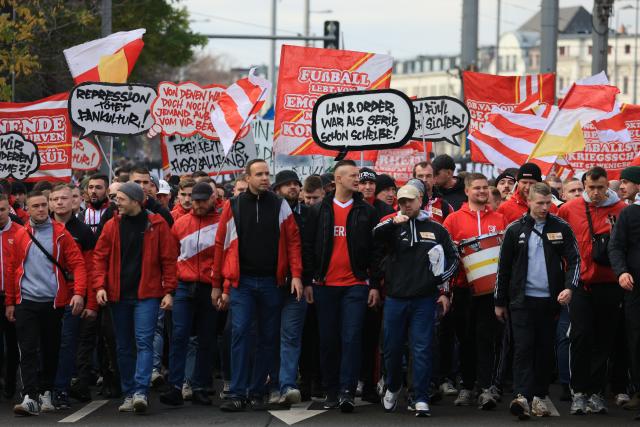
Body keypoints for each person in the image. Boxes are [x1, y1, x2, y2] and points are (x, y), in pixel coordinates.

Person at [213, 159, 302, 412]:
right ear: (248, 177)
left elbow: (293, 241)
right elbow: (220, 244)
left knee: (268, 338)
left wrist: (296, 274)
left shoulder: (280, 204)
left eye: (267, 173)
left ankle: (257, 391)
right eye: (259, 174)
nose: (265, 178)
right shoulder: (233, 205)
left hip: (273, 283)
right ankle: (237, 393)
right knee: (240, 334)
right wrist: (216, 285)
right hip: (242, 283)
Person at [303, 159, 383, 413]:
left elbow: (376, 251)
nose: (357, 178)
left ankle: (347, 391)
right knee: (328, 340)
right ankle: (331, 390)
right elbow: (307, 248)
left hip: (356, 285)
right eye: (352, 175)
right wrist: (308, 281)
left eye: (358, 174)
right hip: (325, 285)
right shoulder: (319, 210)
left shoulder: (367, 212)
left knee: (351, 338)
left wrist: (374, 285)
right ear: (337, 179)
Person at [495, 183, 580, 420]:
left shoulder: (561, 227)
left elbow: (575, 260)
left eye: (548, 203)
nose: (544, 208)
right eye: (539, 203)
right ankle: (522, 397)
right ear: (529, 201)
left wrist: (569, 288)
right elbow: (503, 268)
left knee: (544, 350)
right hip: (521, 300)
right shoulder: (514, 229)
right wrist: (499, 301)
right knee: (523, 347)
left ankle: (540, 397)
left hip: (551, 300)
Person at [374, 184, 458, 417]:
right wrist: (393, 222)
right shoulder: (391, 224)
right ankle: (392, 386)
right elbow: (374, 235)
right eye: (402, 202)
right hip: (395, 298)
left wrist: (440, 280)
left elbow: (453, 258)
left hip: (424, 299)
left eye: (410, 200)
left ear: (420, 199)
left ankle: (419, 396)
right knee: (391, 348)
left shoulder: (437, 228)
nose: (406, 205)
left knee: (421, 349)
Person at [93, 182, 178, 414]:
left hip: (147, 295)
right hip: (118, 295)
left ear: (135, 200)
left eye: (120, 198)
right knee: (123, 346)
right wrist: (99, 286)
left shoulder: (157, 224)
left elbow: (169, 260)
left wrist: (169, 291)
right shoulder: (111, 226)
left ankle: (140, 391)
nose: (115, 202)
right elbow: (99, 258)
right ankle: (129, 392)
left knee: (143, 342)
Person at [8, 191, 87, 416]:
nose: (41, 209)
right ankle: (29, 396)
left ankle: (46, 391)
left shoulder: (61, 233)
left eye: (44, 205)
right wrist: (12, 303)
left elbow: (78, 264)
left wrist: (79, 293)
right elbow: (14, 269)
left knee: (51, 349)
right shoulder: (21, 234)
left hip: (53, 303)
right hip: (26, 302)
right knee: (28, 349)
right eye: (36, 206)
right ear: (28, 209)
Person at [558, 166, 626, 415]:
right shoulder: (569, 208)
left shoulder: (622, 210)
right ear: (584, 185)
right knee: (580, 336)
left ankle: (596, 392)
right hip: (580, 285)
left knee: (603, 340)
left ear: (608, 185)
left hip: (610, 284)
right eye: (591, 188)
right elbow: (558, 242)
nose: (596, 193)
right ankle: (578, 391)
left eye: (601, 187)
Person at [442, 173, 506, 410]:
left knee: (487, 338)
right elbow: (445, 252)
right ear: (467, 191)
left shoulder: (500, 218)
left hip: (490, 291)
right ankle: (467, 386)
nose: (482, 191)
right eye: (477, 188)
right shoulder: (453, 219)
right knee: (466, 338)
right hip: (462, 289)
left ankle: (487, 387)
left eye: (484, 188)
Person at [160, 182, 221, 407]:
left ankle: (200, 387)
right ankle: (176, 386)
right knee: (179, 336)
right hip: (184, 286)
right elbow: (170, 257)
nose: (199, 204)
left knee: (206, 339)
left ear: (213, 199)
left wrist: (222, 287)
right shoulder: (180, 224)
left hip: (209, 287)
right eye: (196, 200)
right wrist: (170, 289)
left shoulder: (221, 224)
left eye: (203, 200)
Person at [49, 185, 98, 409]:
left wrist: (90, 302)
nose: (59, 202)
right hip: (46, 296)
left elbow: (88, 268)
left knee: (68, 345)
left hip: (73, 296)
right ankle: (43, 388)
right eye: (55, 199)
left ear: (74, 201)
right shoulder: (39, 228)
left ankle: (61, 389)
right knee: (45, 344)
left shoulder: (84, 231)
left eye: (64, 198)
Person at [272, 170, 309, 404]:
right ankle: (272, 383)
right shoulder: (268, 213)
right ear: (277, 190)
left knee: (291, 337)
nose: (293, 188)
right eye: (287, 185)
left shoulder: (309, 214)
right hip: (271, 283)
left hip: (297, 285)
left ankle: (287, 385)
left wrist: (307, 280)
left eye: (296, 184)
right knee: (269, 337)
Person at [609, 186, 640, 420]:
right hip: (635, 289)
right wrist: (621, 272)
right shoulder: (630, 214)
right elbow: (616, 246)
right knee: (636, 340)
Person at [0, 194, 21, 400]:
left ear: (9, 210)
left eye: (2, 209)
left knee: (13, 342)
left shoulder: (20, 232)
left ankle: (11, 383)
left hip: (12, 296)